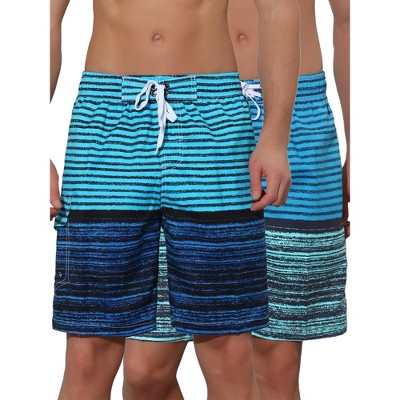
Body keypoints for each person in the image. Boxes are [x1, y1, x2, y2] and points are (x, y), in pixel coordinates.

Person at [49, 1, 300, 399]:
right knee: (89, 347)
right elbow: (44, 15)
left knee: (228, 346)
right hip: (106, 118)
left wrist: (275, 135)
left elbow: (278, 9)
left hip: (214, 118)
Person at [122, 0, 350, 399]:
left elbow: (350, 22)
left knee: (272, 366)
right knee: (146, 372)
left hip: (295, 116)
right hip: (187, 110)